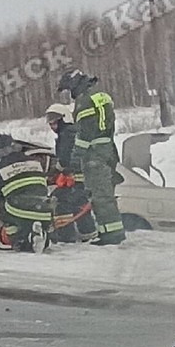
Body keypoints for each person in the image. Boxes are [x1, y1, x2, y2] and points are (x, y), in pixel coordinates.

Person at [57, 69, 125, 245]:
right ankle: (107, 232)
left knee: (100, 195)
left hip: (95, 153)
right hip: (108, 148)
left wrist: (74, 160)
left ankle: (112, 235)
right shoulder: (100, 95)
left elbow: (85, 133)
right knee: (102, 194)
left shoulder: (84, 101)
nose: (69, 95)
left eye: (68, 90)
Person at [0, 134, 52, 253]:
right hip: (45, 208)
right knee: (34, 215)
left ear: (0, 151)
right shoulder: (33, 161)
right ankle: (42, 234)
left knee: (4, 210)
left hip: (20, 208)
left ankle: (20, 242)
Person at [44, 103, 97, 243]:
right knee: (79, 205)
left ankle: (65, 236)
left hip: (78, 179)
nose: (51, 124)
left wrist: (55, 171)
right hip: (84, 180)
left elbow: (65, 157)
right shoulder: (73, 132)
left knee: (60, 202)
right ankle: (88, 234)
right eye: (49, 120)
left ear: (64, 118)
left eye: (54, 119)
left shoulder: (67, 133)